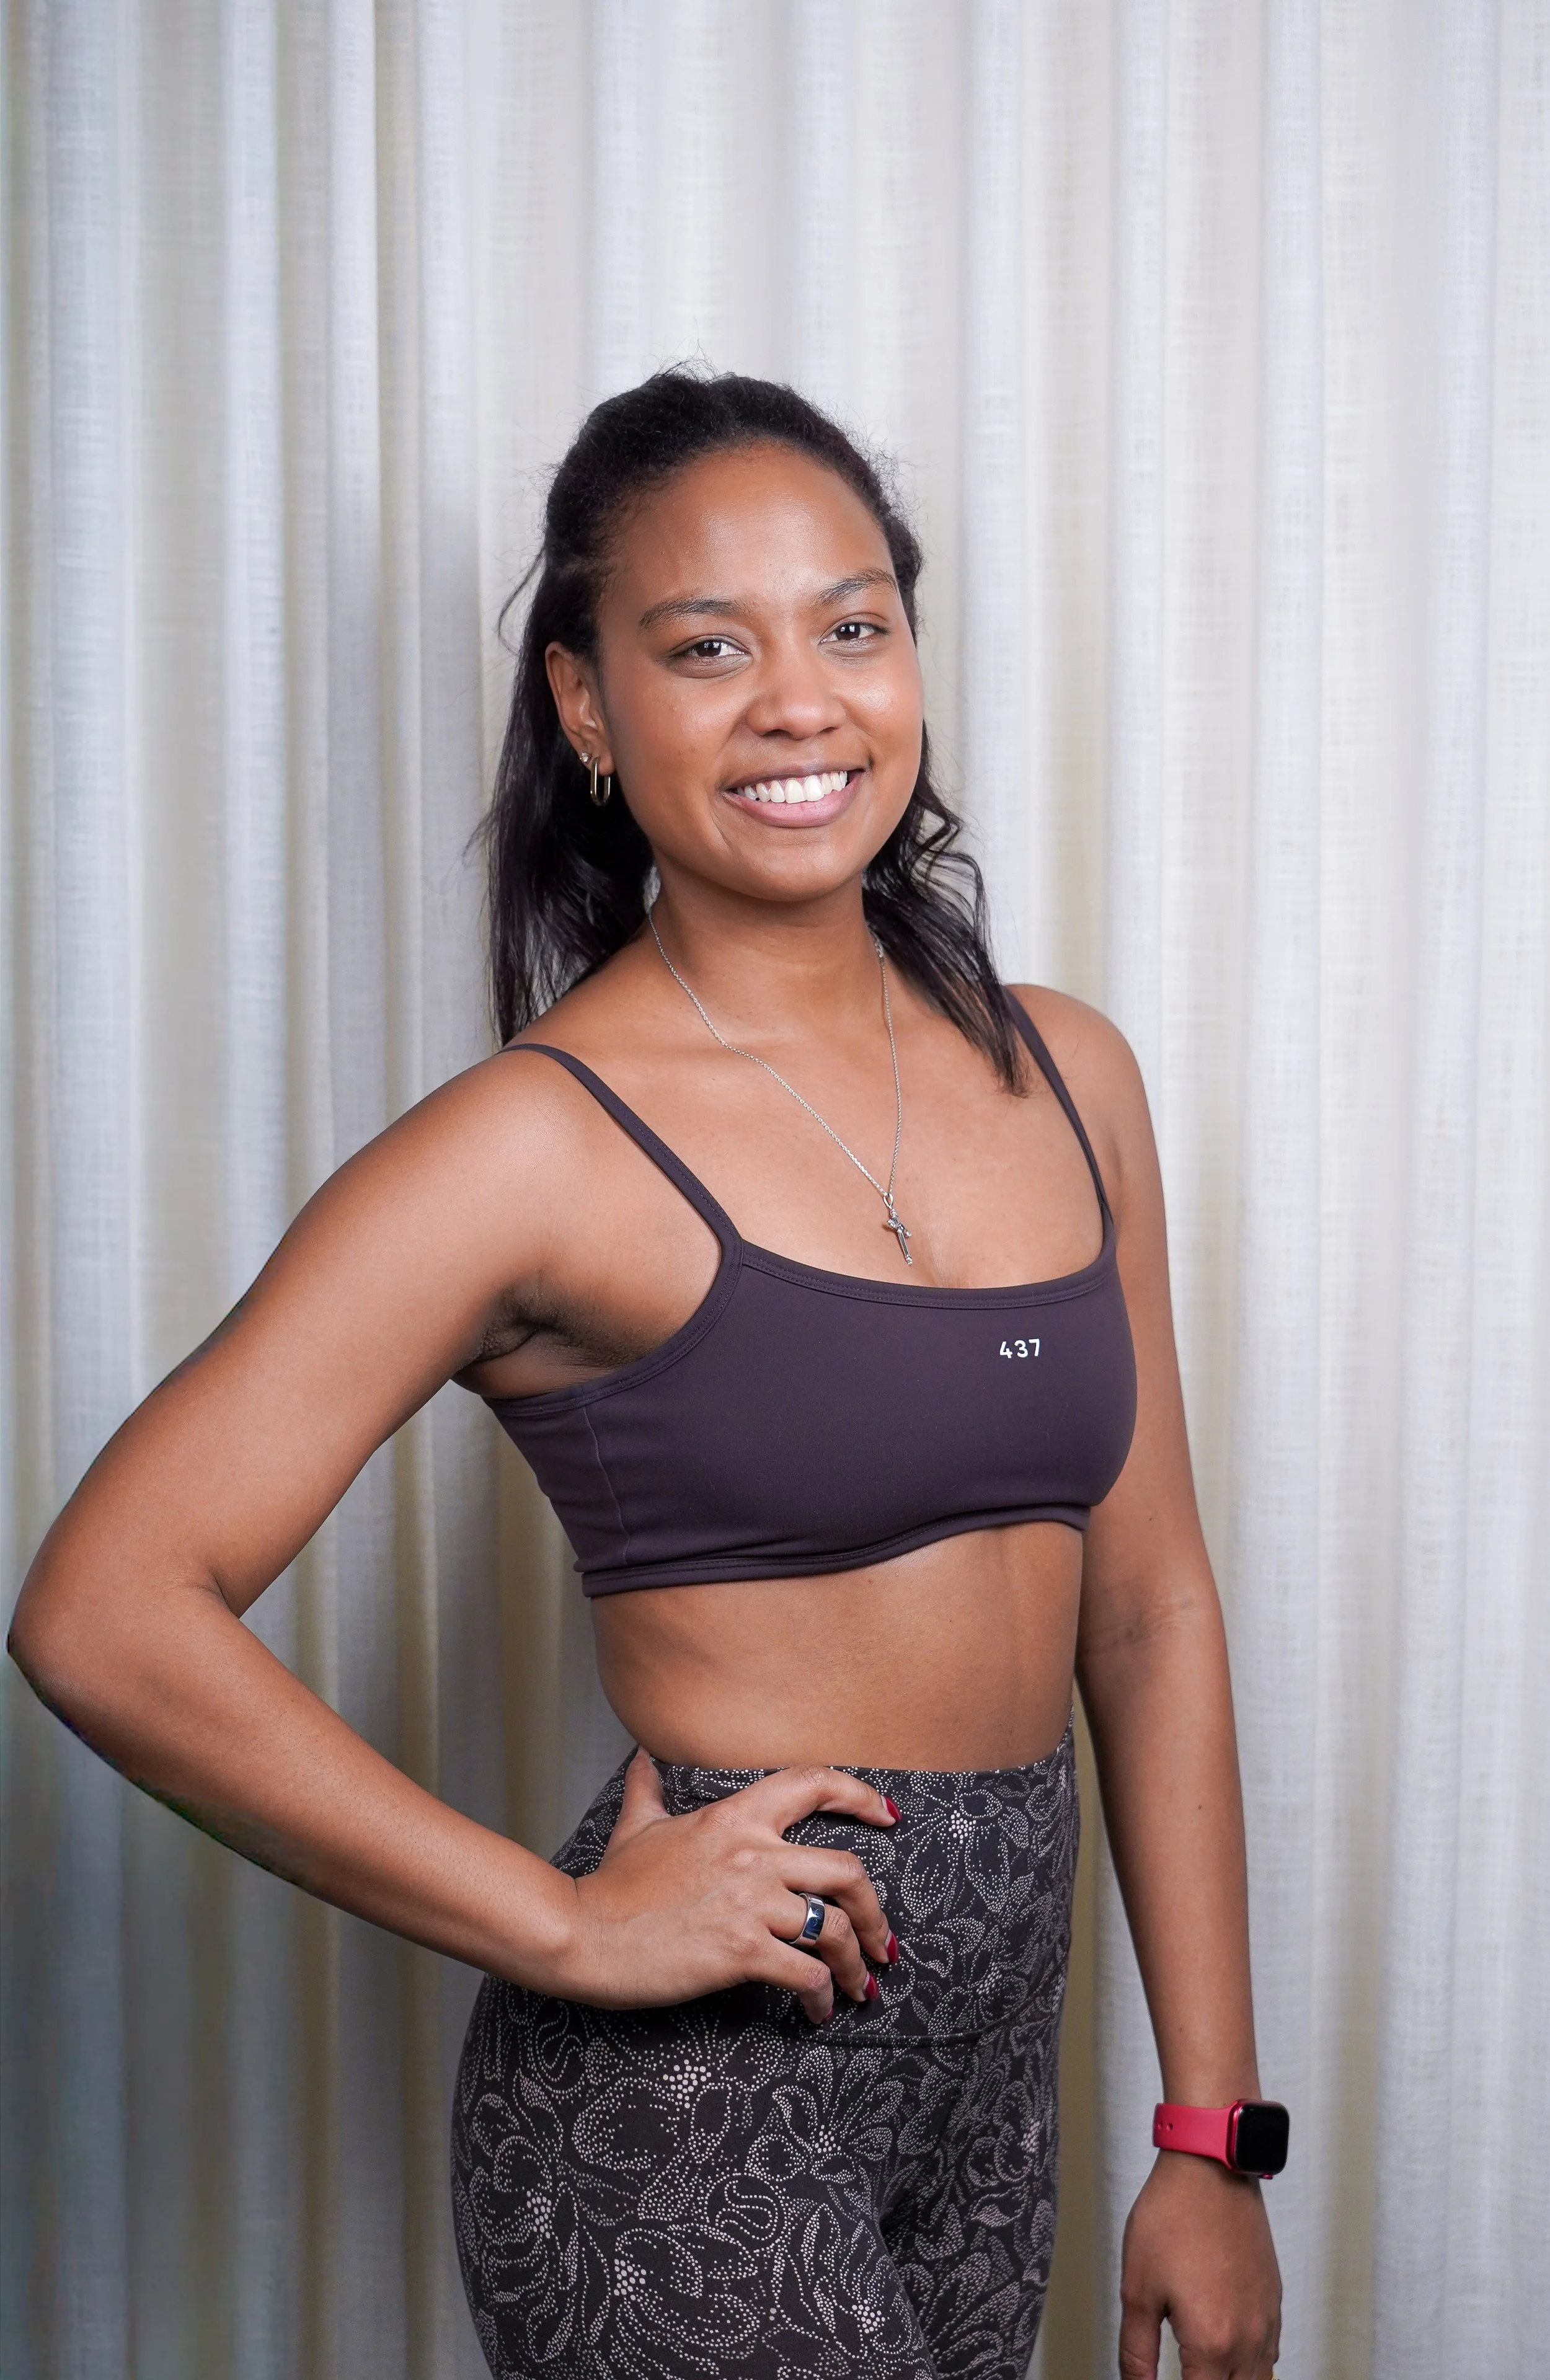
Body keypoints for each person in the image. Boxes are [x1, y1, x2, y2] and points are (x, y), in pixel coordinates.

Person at [10, 367, 1283, 2380]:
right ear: (588, 709)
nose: (801, 702)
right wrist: (560, 1915)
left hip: (982, 2108)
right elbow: (100, 1609)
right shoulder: (535, 1144)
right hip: (682, 2117)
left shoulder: (1069, 1071)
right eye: (708, 648)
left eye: (852, 626)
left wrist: (1212, 2134)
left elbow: (1146, 1609)